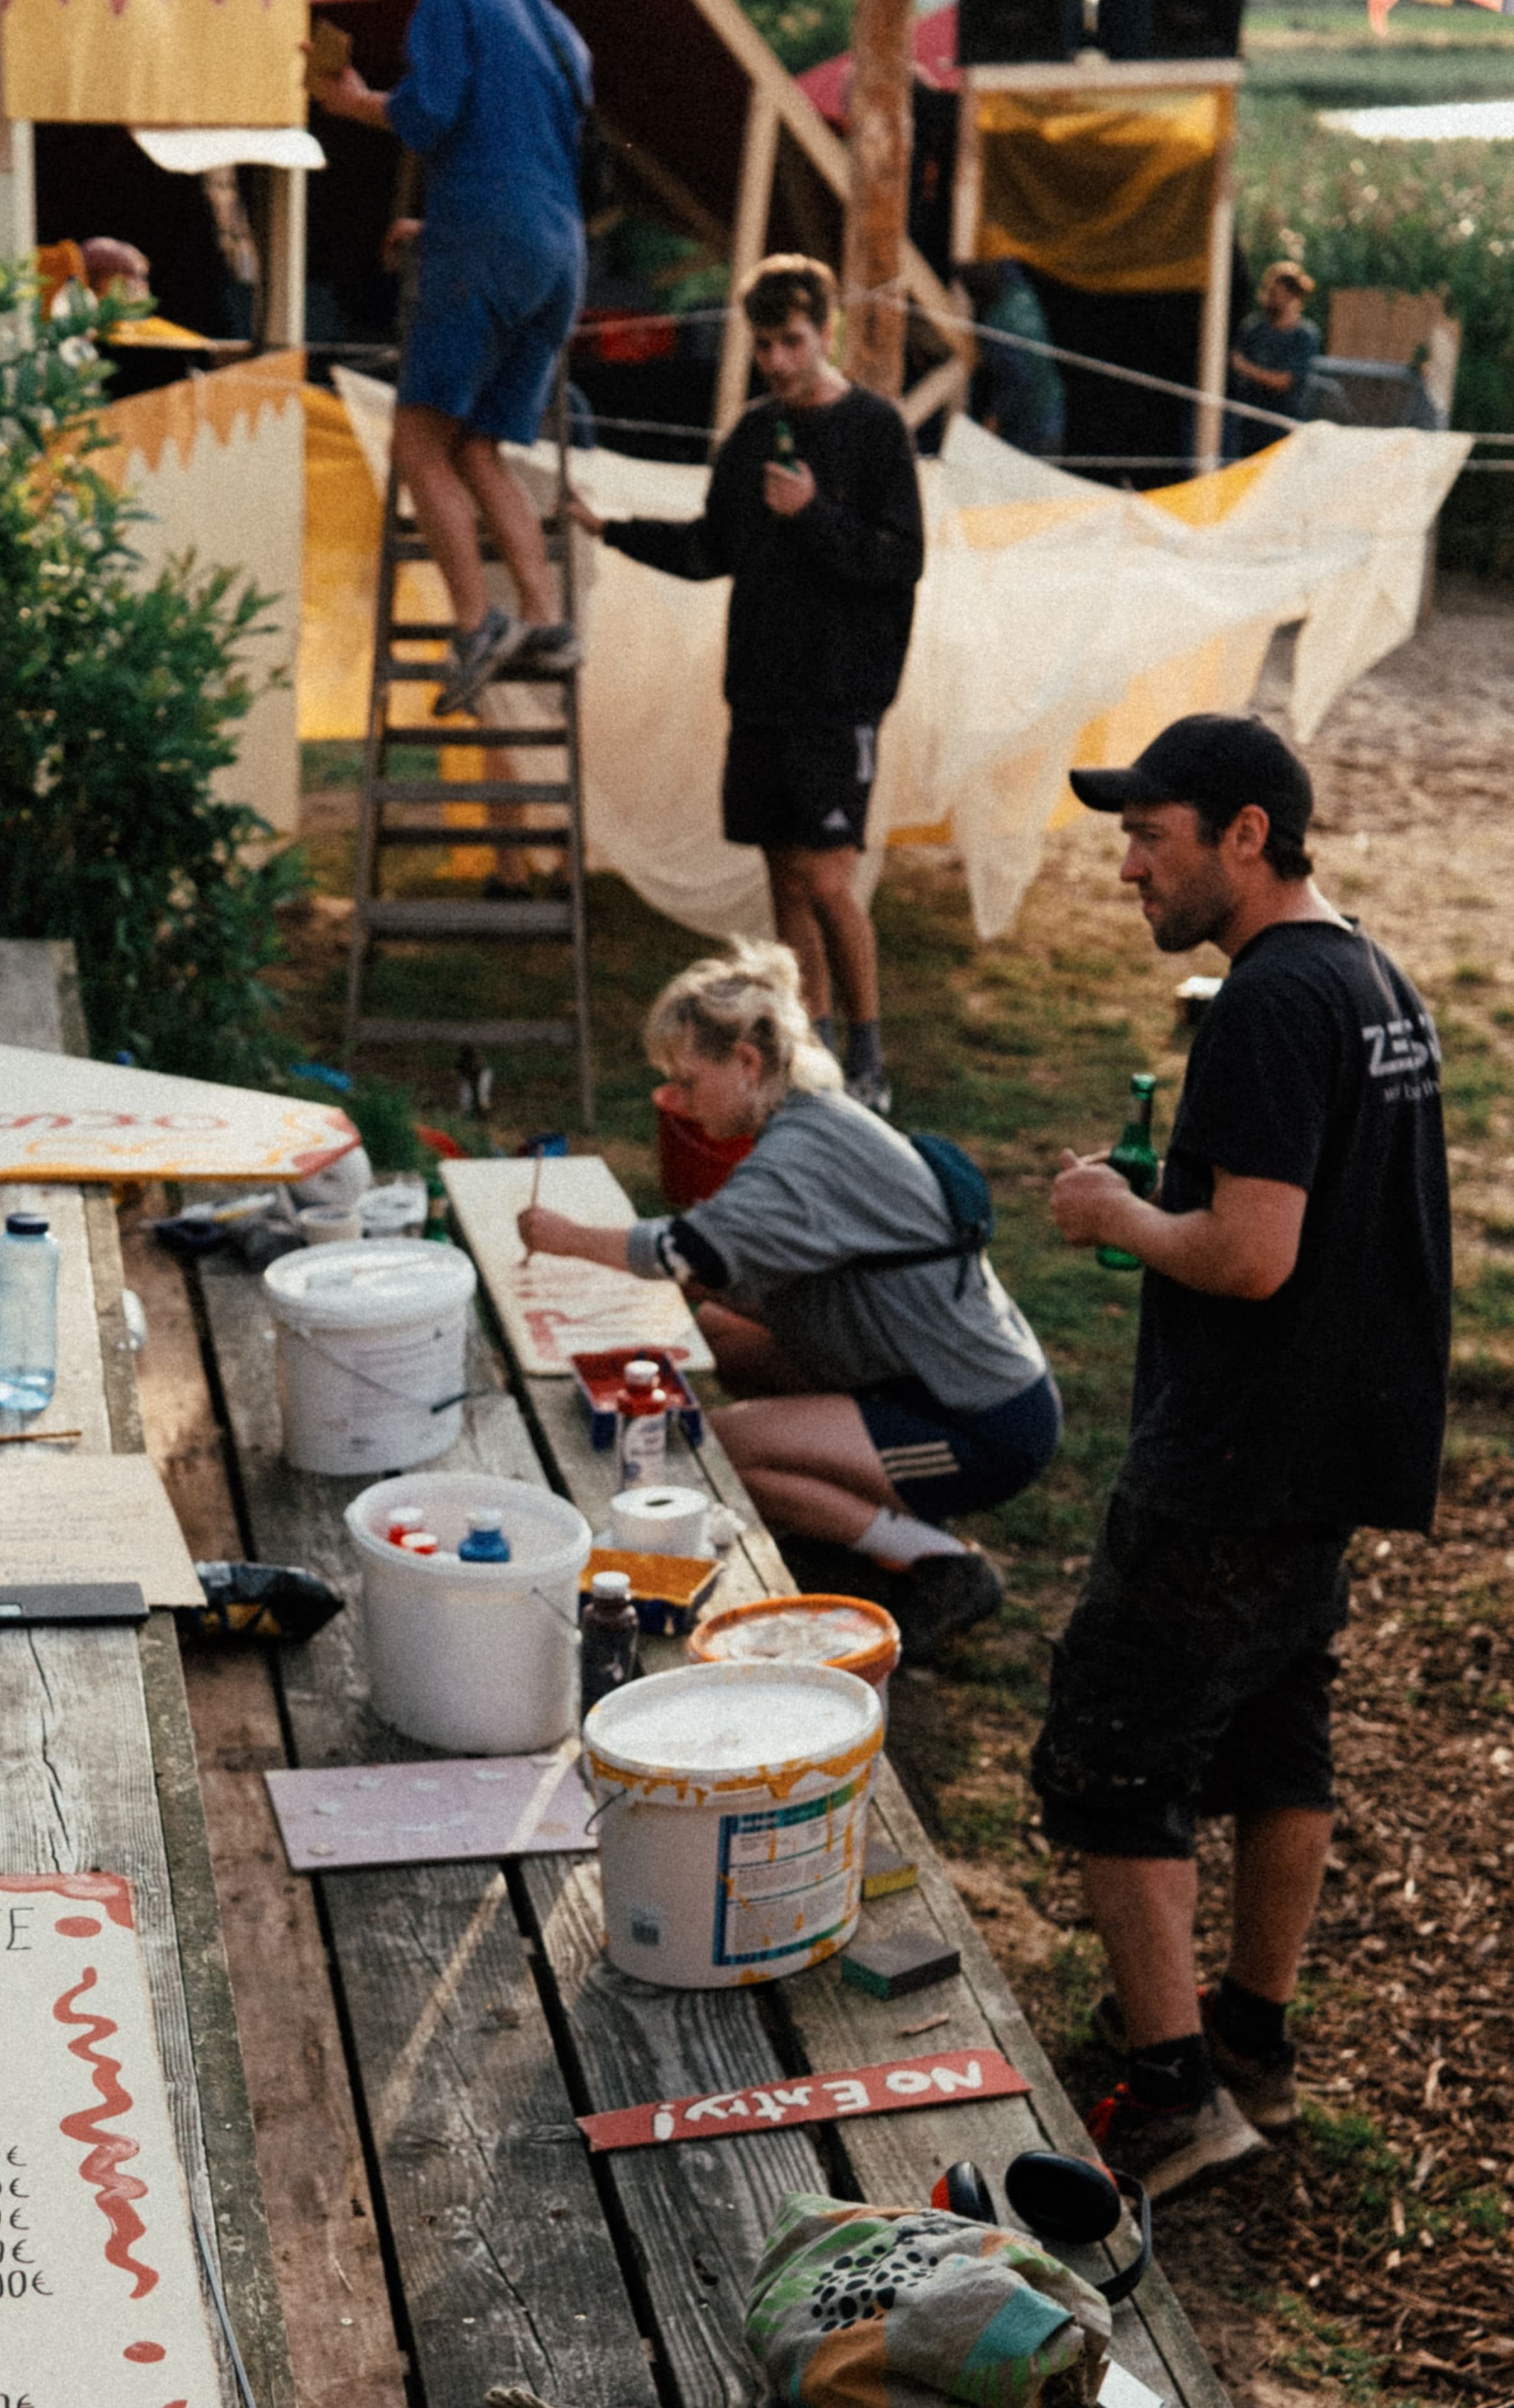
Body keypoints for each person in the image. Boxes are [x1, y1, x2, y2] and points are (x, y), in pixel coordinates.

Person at [1038, 714, 1449, 2197]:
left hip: (1234, 1451)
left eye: (1151, 836)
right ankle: (1252, 2038)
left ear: (1247, 836)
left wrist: (1112, 1215)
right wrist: (1170, 1190)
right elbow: (1310, 1210)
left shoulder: (1268, 1003)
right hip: (1330, 1442)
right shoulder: (1368, 977)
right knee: (1278, 1731)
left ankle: (1168, 2093)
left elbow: (1247, 1252)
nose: (1128, 866)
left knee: (1105, 1746)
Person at [516, 942, 1060, 1663]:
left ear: (748, 1062)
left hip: (981, 1420)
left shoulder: (803, 1150)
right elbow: (734, 1274)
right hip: (920, 1374)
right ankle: (859, 1520)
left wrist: (565, 1237)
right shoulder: (811, 1117)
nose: (678, 1101)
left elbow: (690, 1253)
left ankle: (939, 1562)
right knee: (722, 1332)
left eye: (688, 1080)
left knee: (726, 1450)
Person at [572, 253, 923, 1112]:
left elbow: (900, 560)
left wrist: (815, 516)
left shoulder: (876, 431)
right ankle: (816, 1056)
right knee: (785, 885)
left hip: (839, 697)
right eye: (764, 344)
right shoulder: (751, 437)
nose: (777, 361)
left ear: (827, 331)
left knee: (832, 885)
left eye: (792, 341)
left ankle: (871, 1063)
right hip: (760, 693)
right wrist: (607, 528)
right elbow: (708, 551)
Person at [317, 0, 591, 717]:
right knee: (480, 450)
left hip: (489, 239)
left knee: (418, 438)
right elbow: (526, 153)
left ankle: (477, 622)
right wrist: (448, 228)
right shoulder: (563, 34)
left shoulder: (455, 0)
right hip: (558, 250)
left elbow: (432, 114)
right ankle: (548, 623)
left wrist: (350, 100)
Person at [963, 257, 1066, 460]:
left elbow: (1017, 380)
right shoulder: (1021, 291)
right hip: (1054, 411)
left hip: (1032, 426)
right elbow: (1009, 267)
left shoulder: (996, 328)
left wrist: (993, 419)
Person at [1224, 260, 1322, 458]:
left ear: (1293, 296)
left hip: (1282, 427)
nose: (1268, 299)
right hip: (1248, 427)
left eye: (1275, 294)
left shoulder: (1305, 336)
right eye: (1269, 292)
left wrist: (1245, 367)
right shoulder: (1253, 328)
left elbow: (1284, 381)